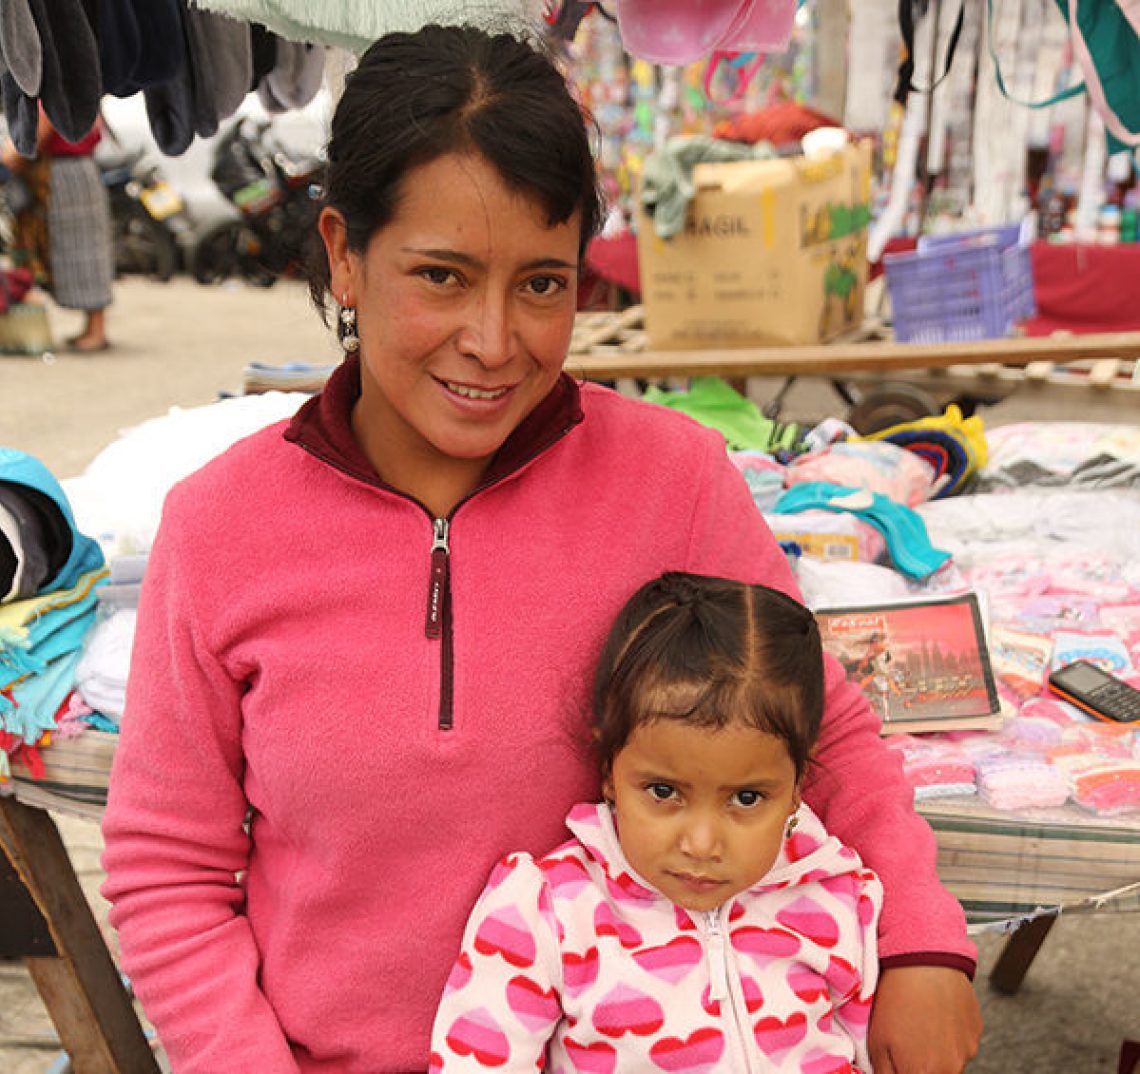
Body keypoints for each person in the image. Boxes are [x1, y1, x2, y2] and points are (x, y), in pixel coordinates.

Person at [100, 22, 981, 1074]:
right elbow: (169, 872)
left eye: (542, 284)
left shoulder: (676, 482)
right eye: (441, 276)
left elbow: (823, 733)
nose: (493, 340)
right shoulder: (222, 526)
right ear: (344, 252)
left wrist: (925, 942)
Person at [430, 571, 884, 1071]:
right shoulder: (550, 911)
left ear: (797, 786)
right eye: (664, 792)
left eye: (747, 798)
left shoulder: (839, 897)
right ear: (609, 770)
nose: (702, 843)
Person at [0, 109, 113, 352]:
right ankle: (93, 328)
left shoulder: (52, 90)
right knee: (85, 249)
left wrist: (12, 155)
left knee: (81, 251)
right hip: (76, 170)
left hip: (66, 174)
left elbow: (38, 132)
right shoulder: (78, 87)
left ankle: (96, 330)